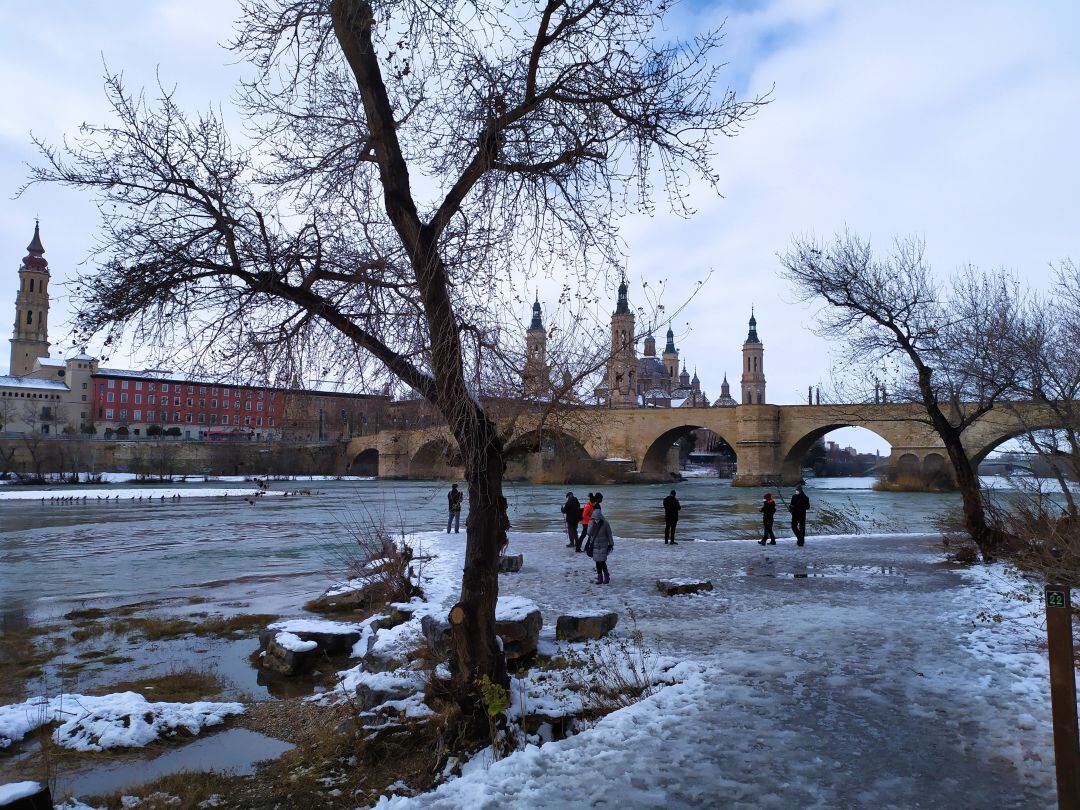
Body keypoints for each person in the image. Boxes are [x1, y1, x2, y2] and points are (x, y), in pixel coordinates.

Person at [587, 499, 614, 584]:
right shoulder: (592, 523)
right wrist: (591, 526)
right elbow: (589, 533)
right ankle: (600, 578)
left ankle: (606, 576)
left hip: (603, 545)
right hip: (595, 545)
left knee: (602, 562)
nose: (596, 520)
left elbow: (609, 534)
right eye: (595, 519)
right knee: (597, 563)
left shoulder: (605, 523)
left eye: (598, 519)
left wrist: (611, 544)